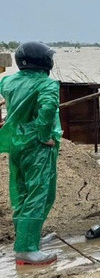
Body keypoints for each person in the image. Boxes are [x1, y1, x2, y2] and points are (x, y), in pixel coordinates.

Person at [0, 42, 61, 265]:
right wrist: (44, 134)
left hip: (16, 142)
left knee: (22, 193)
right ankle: (26, 248)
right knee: (40, 194)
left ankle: (27, 238)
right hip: (37, 146)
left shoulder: (8, 81)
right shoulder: (47, 85)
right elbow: (47, 109)